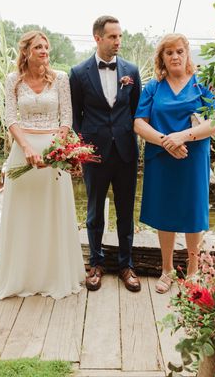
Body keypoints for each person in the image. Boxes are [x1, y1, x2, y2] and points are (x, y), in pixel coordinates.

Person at [0, 31, 84, 300]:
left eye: (46, 47)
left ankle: (53, 276)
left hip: (55, 154)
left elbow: (67, 117)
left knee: (52, 212)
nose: (44, 51)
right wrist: (27, 148)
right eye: (38, 47)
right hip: (24, 151)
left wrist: (58, 151)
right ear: (26, 52)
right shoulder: (13, 80)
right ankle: (22, 276)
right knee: (24, 214)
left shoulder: (61, 79)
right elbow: (10, 117)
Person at [133, 34, 215, 293]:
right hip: (162, 159)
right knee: (165, 213)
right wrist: (165, 142)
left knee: (194, 213)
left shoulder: (201, 85)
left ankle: (193, 272)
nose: (175, 56)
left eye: (179, 51)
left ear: (187, 54)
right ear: (162, 58)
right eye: (169, 53)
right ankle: (167, 270)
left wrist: (182, 137)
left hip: (192, 159)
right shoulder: (154, 87)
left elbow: (213, 123)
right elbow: (139, 122)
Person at [69, 16, 142, 292]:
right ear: (97, 38)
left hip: (125, 151)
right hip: (94, 154)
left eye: (120, 36)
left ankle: (127, 265)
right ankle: (95, 264)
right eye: (112, 37)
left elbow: (137, 113)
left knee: (126, 212)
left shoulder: (132, 72)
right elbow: (76, 117)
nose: (118, 42)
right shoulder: (78, 73)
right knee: (94, 212)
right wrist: (82, 148)